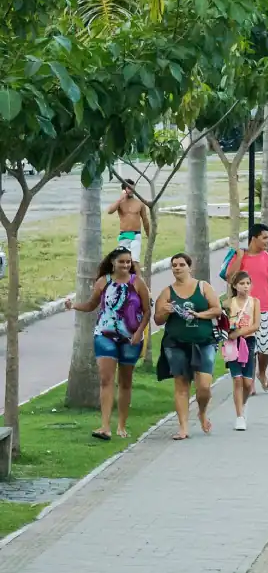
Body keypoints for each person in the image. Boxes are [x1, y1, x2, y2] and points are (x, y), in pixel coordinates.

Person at [65, 247, 150, 440]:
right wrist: (74, 306)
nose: (126, 265)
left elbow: (147, 311)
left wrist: (138, 333)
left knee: (126, 381)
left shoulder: (138, 283)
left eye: (128, 262)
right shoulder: (103, 282)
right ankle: (105, 426)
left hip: (131, 337)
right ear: (113, 262)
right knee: (106, 379)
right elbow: (91, 305)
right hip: (105, 335)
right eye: (122, 262)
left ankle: (121, 425)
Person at [154, 253, 222, 439]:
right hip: (176, 343)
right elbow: (158, 320)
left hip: (203, 342)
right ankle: (183, 427)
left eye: (181, 264)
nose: (177, 268)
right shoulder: (167, 292)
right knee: (181, 385)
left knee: (204, 387)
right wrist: (165, 312)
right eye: (174, 265)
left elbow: (217, 309)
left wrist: (199, 315)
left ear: (189, 267)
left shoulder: (203, 287)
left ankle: (202, 412)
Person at [226, 223, 268, 393]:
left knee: (266, 347)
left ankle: (262, 373)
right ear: (254, 238)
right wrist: (240, 257)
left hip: (264, 309)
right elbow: (230, 278)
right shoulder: (239, 257)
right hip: (242, 310)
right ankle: (249, 382)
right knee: (248, 348)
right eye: (264, 237)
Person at [223, 271, 260, 431]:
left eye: (247, 283)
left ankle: (242, 404)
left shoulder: (254, 302)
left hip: (248, 341)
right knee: (237, 379)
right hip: (232, 343)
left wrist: (240, 332)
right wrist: (231, 333)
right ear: (235, 286)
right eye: (242, 284)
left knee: (247, 382)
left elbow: (256, 325)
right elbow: (223, 324)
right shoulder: (228, 303)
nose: (245, 287)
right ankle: (239, 416)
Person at [106, 180, 150, 266]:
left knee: (135, 261)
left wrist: (149, 235)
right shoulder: (120, 203)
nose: (131, 190)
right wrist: (120, 198)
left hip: (136, 235)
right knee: (122, 260)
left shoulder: (139, 203)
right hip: (124, 235)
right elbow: (110, 211)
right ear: (124, 189)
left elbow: (145, 220)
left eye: (133, 188)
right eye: (129, 188)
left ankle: (137, 278)